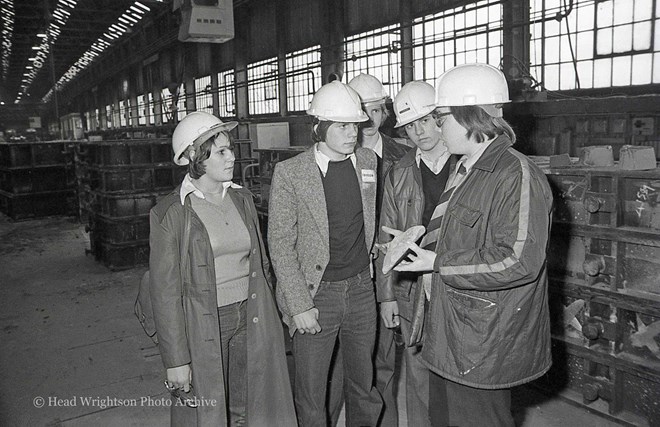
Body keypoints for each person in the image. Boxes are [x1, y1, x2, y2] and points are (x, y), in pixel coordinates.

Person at [395, 63, 553, 426]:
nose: (435, 127)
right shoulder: (464, 168)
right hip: (447, 331)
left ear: (470, 117)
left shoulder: (516, 176)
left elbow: (517, 259)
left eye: (441, 117)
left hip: (482, 342)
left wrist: (437, 262)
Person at [149, 111, 296, 426]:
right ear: (194, 156)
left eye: (230, 149)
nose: (232, 157)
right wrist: (176, 361)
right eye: (221, 152)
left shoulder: (242, 199)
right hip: (207, 321)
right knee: (211, 411)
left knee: (248, 407)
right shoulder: (171, 213)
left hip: (252, 314)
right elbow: (165, 292)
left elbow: (263, 266)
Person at [268, 81, 383, 427]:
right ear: (319, 127)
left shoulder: (367, 161)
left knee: (363, 387)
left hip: (362, 289)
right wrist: (299, 304)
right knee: (312, 396)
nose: (354, 134)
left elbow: (363, 219)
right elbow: (280, 244)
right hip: (317, 294)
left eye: (356, 125)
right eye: (343, 126)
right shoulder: (291, 173)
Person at [374, 80, 456, 427]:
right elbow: (386, 238)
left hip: (455, 282)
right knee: (418, 374)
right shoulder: (400, 171)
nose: (418, 131)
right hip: (413, 287)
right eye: (410, 125)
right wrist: (386, 296)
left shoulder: (467, 165)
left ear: (440, 118)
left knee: (456, 376)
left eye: (424, 121)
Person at [347, 73, 410, 427]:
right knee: (352, 362)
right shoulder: (338, 153)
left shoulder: (406, 154)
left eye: (375, 110)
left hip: (390, 268)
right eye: (361, 111)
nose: (368, 120)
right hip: (351, 271)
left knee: (384, 359)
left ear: (384, 112)